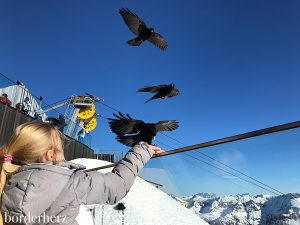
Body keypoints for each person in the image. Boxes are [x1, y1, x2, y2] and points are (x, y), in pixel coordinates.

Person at [0, 121, 164, 225]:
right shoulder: (70, 182)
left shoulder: (7, 183)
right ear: (50, 155)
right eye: (60, 147)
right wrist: (142, 150)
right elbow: (117, 185)